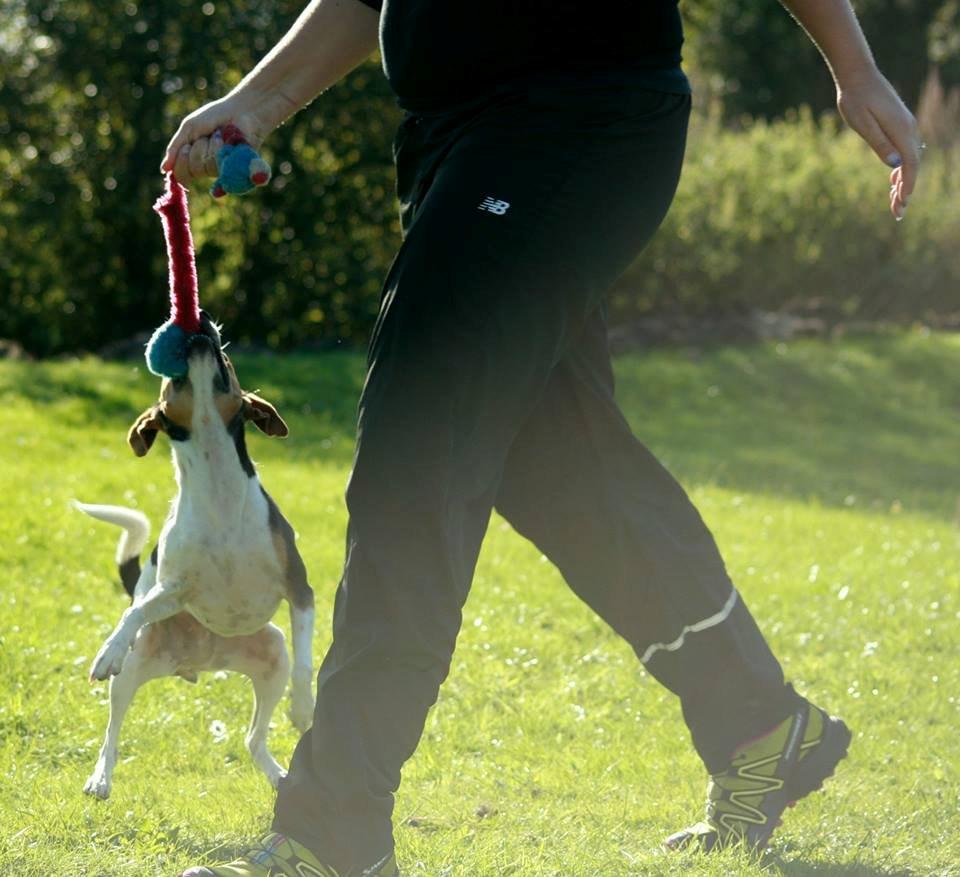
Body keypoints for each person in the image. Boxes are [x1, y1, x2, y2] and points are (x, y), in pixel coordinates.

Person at [164, 1, 921, 874]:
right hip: (460, 142)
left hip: (579, 119)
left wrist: (855, 68)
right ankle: (759, 722)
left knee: (419, 436)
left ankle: (334, 829)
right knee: (555, 459)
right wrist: (255, 104)